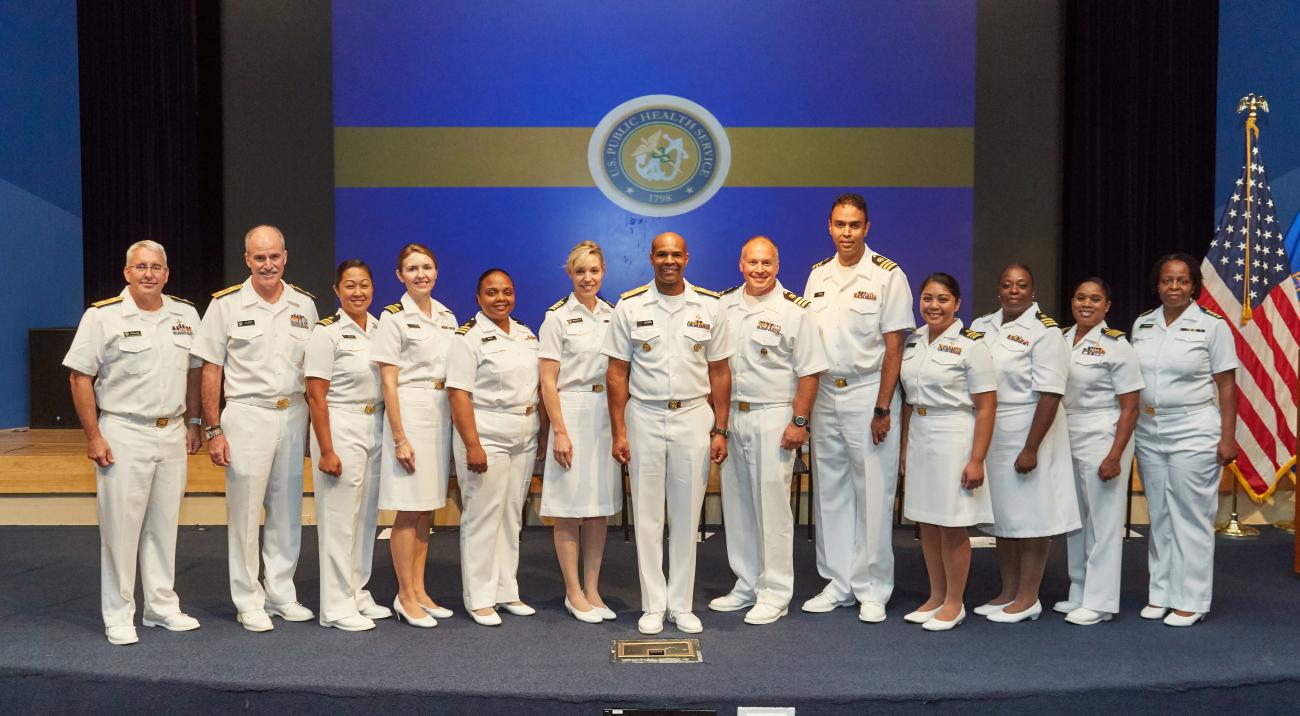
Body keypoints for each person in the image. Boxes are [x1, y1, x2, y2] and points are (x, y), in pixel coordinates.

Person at [64, 240, 204, 645]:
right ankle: (119, 613)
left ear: (167, 273)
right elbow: (79, 377)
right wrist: (94, 436)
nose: (149, 274)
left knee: (164, 525)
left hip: (173, 430)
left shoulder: (185, 314)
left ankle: (161, 606)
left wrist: (194, 422)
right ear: (127, 273)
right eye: (141, 267)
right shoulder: (102, 316)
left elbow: (195, 371)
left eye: (156, 267)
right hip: (123, 431)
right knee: (121, 529)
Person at [604, 232, 733, 636]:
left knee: (686, 515)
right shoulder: (629, 305)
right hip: (643, 414)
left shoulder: (710, 306)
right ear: (651, 257)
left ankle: (681, 604)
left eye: (676, 254)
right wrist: (619, 431)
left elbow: (720, 373)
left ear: (687, 258)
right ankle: (653, 604)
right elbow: (616, 373)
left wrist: (721, 429)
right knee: (646, 516)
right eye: (662, 254)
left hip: (694, 415)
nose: (669, 261)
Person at [192, 225, 318, 632]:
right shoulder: (226, 305)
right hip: (246, 414)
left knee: (287, 510)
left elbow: (315, 372)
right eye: (259, 258)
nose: (268, 265)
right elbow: (211, 369)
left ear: (285, 256)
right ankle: (248, 599)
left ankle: (281, 592)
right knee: (246, 513)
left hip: (294, 413)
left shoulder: (305, 304)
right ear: (247, 259)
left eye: (274, 256)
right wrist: (213, 429)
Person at [802, 193, 914, 623]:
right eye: (839, 224)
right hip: (826, 393)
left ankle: (872, 587)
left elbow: (894, 347)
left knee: (873, 492)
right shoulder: (818, 277)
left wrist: (883, 407)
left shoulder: (887, 276)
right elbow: (811, 345)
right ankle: (838, 582)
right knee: (830, 491)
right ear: (829, 227)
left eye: (854, 225)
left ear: (867, 228)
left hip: (870, 393)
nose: (846, 232)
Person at [709, 236, 828, 625]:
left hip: (775, 416)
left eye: (767, 263)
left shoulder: (796, 311)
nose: (759, 270)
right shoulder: (723, 305)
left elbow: (810, 371)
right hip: (732, 418)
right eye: (752, 263)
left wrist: (799, 421)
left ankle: (775, 592)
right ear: (740, 265)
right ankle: (746, 583)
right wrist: (720, 425)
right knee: (739, 505)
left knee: (772, 508)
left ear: (777, 266)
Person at [1131, 254, 1237, 627]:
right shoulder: (1142, 324)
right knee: (1158, 514)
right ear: (1157, 284)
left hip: (1194, 429)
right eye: (1166, 280)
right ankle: (1161, 593)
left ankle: (1191, 599)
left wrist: (1228, 437)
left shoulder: (1212, 326)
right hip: (1149, 430)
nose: (1173, 287)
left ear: (1194, 286)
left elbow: (1226, 385)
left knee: (1191, 516)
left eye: (1181, 281)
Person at [970, 264, 1079, 623]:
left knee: (1032, 519)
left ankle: (1029, 597)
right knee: (1004, 519)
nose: (1013, 290)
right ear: (998, 290)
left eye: (1022, 285)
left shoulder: (1045, 333)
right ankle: (1007, 591)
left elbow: (1051, 394)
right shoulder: (982, 326)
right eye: (1006, 285)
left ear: (1033, 292)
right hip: (994, 432)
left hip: (1030, 429)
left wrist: (1031, 447)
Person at [897, 273, 997, 631]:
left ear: (957, 304)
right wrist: (906, 448)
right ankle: (935, 596)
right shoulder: (913, 342)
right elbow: (908, 403)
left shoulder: (972, 345)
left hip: (955, 435)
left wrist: (976, 459)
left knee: (952, 525)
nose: (933, 306)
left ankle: (955, 602)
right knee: (928, 523)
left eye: (942, 299)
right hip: (922, 433)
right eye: (927, 298)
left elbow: (986, 407)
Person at [447, 268, 542, 627]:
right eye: (491, 293)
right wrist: (472, 444)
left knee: (511, 515)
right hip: (485, 433)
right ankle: (479, 597)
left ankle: (506, 590)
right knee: (483, 515)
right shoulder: (467, 337)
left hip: (523, 432)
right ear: (478, 298)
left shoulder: (525, 334)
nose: (500, 298)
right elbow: (458, 394)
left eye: (507, 292)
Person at [371, 243, 459, 628]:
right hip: (410, 413)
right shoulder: (392, 319)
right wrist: (399, 437)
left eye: (426, 267)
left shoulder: (447, 316)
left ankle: (420, 590)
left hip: (440, 414)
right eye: (412, 268)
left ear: (436, 272)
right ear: (399, 275)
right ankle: (404, 596)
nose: (420, 274)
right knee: (408, 510)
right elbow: (388, 383)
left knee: (426, 509)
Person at [304, 259, 392, 631]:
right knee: (340, 519)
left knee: (365, 516)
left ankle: (357, 591)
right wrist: (326, 449)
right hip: (339, 423)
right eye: (350, 285)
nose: (358, 292)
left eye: (365, 284)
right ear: (337, 291)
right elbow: (315, 395)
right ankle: (336, 607)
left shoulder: (380, 329)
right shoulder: (327, 333)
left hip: (374, 423)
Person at [537, 241, 621, 623]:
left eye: (594, 270)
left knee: (599, 509)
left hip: (604, 414)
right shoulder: (556, 318)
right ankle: (572, 591)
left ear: (603, 272)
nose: (588, 278)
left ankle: (592, 588)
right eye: (580, 271)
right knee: (570, 509)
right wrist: (559, 431)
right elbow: (548, 382)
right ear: (569, 274)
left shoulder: (613, 315)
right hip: (570, 410)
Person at [1058, 278, 1143, 626]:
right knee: (1075, 519)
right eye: (1080, 297)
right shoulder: (1061, 339)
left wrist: (1115, 454)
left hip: (1103, 432)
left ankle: (1101, 600)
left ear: (1107, 305)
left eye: (1095, 299)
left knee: (1104, 521)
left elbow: (1131, 407)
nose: (1086, 304)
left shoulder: (1116, 345)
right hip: (1067, 430)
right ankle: (1079, 588)